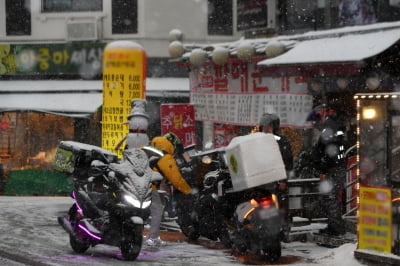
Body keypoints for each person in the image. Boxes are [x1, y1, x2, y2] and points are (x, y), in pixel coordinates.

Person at [144, 132, 192, 246]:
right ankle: (153, 238)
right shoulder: (165, 156)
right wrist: (189, 191)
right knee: (157, 210)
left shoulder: (146, 149)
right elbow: (176, 179)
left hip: (133, 186)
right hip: (151, 187)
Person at [307, 104, 346, 236]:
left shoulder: (330, 129)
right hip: (336, 168)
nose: (316, 123)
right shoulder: (334, 126)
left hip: (333, 170)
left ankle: (335, 228)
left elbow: (328, 153)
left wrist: (323, 170)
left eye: (317, 119)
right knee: (332, 198)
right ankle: (335, 225)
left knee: (331, 198)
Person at [258, 113, 293, 241]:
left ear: (275, 127)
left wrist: (283, 180)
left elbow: (287, 163)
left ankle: (284, 230)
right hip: (261, 181)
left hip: (277, 180)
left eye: (269, 126)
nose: (266, 129)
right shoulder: (256, 140)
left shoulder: (281, 141)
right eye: (264, 126)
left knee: (281, 205)